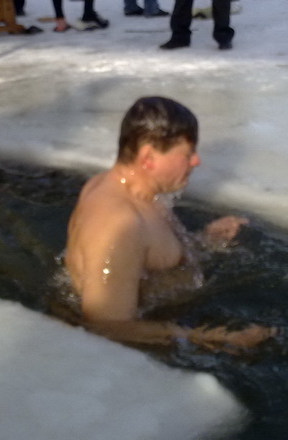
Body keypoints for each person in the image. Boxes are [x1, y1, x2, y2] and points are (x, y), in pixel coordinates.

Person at [64, 96, 276, 351]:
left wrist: (205, 241)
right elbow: (107, 326)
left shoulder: (129, 192)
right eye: (188, 153)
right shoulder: (118, 226)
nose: (196, 161)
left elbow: (147, 259)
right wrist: (214, 339)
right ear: (148, 158)